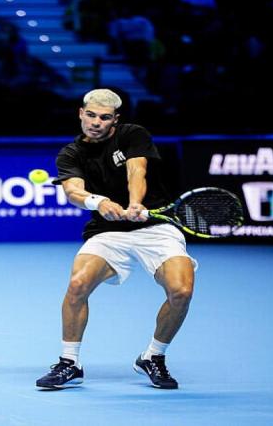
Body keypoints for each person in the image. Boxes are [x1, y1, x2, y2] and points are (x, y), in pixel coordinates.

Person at [35, 88, 197, 390]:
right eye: (92, 115)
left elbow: (137, 170)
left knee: (181, 291)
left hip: (154, 228)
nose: (97, 122)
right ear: (81, 113)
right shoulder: (70, 154)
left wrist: (136, 203)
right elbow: (73, 192)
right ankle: (70, 362)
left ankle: (153, 356)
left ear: (115, 119)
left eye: (105, 117)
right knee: (78, 284)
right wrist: (99, 202)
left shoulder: (132, 134)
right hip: (107, 232)